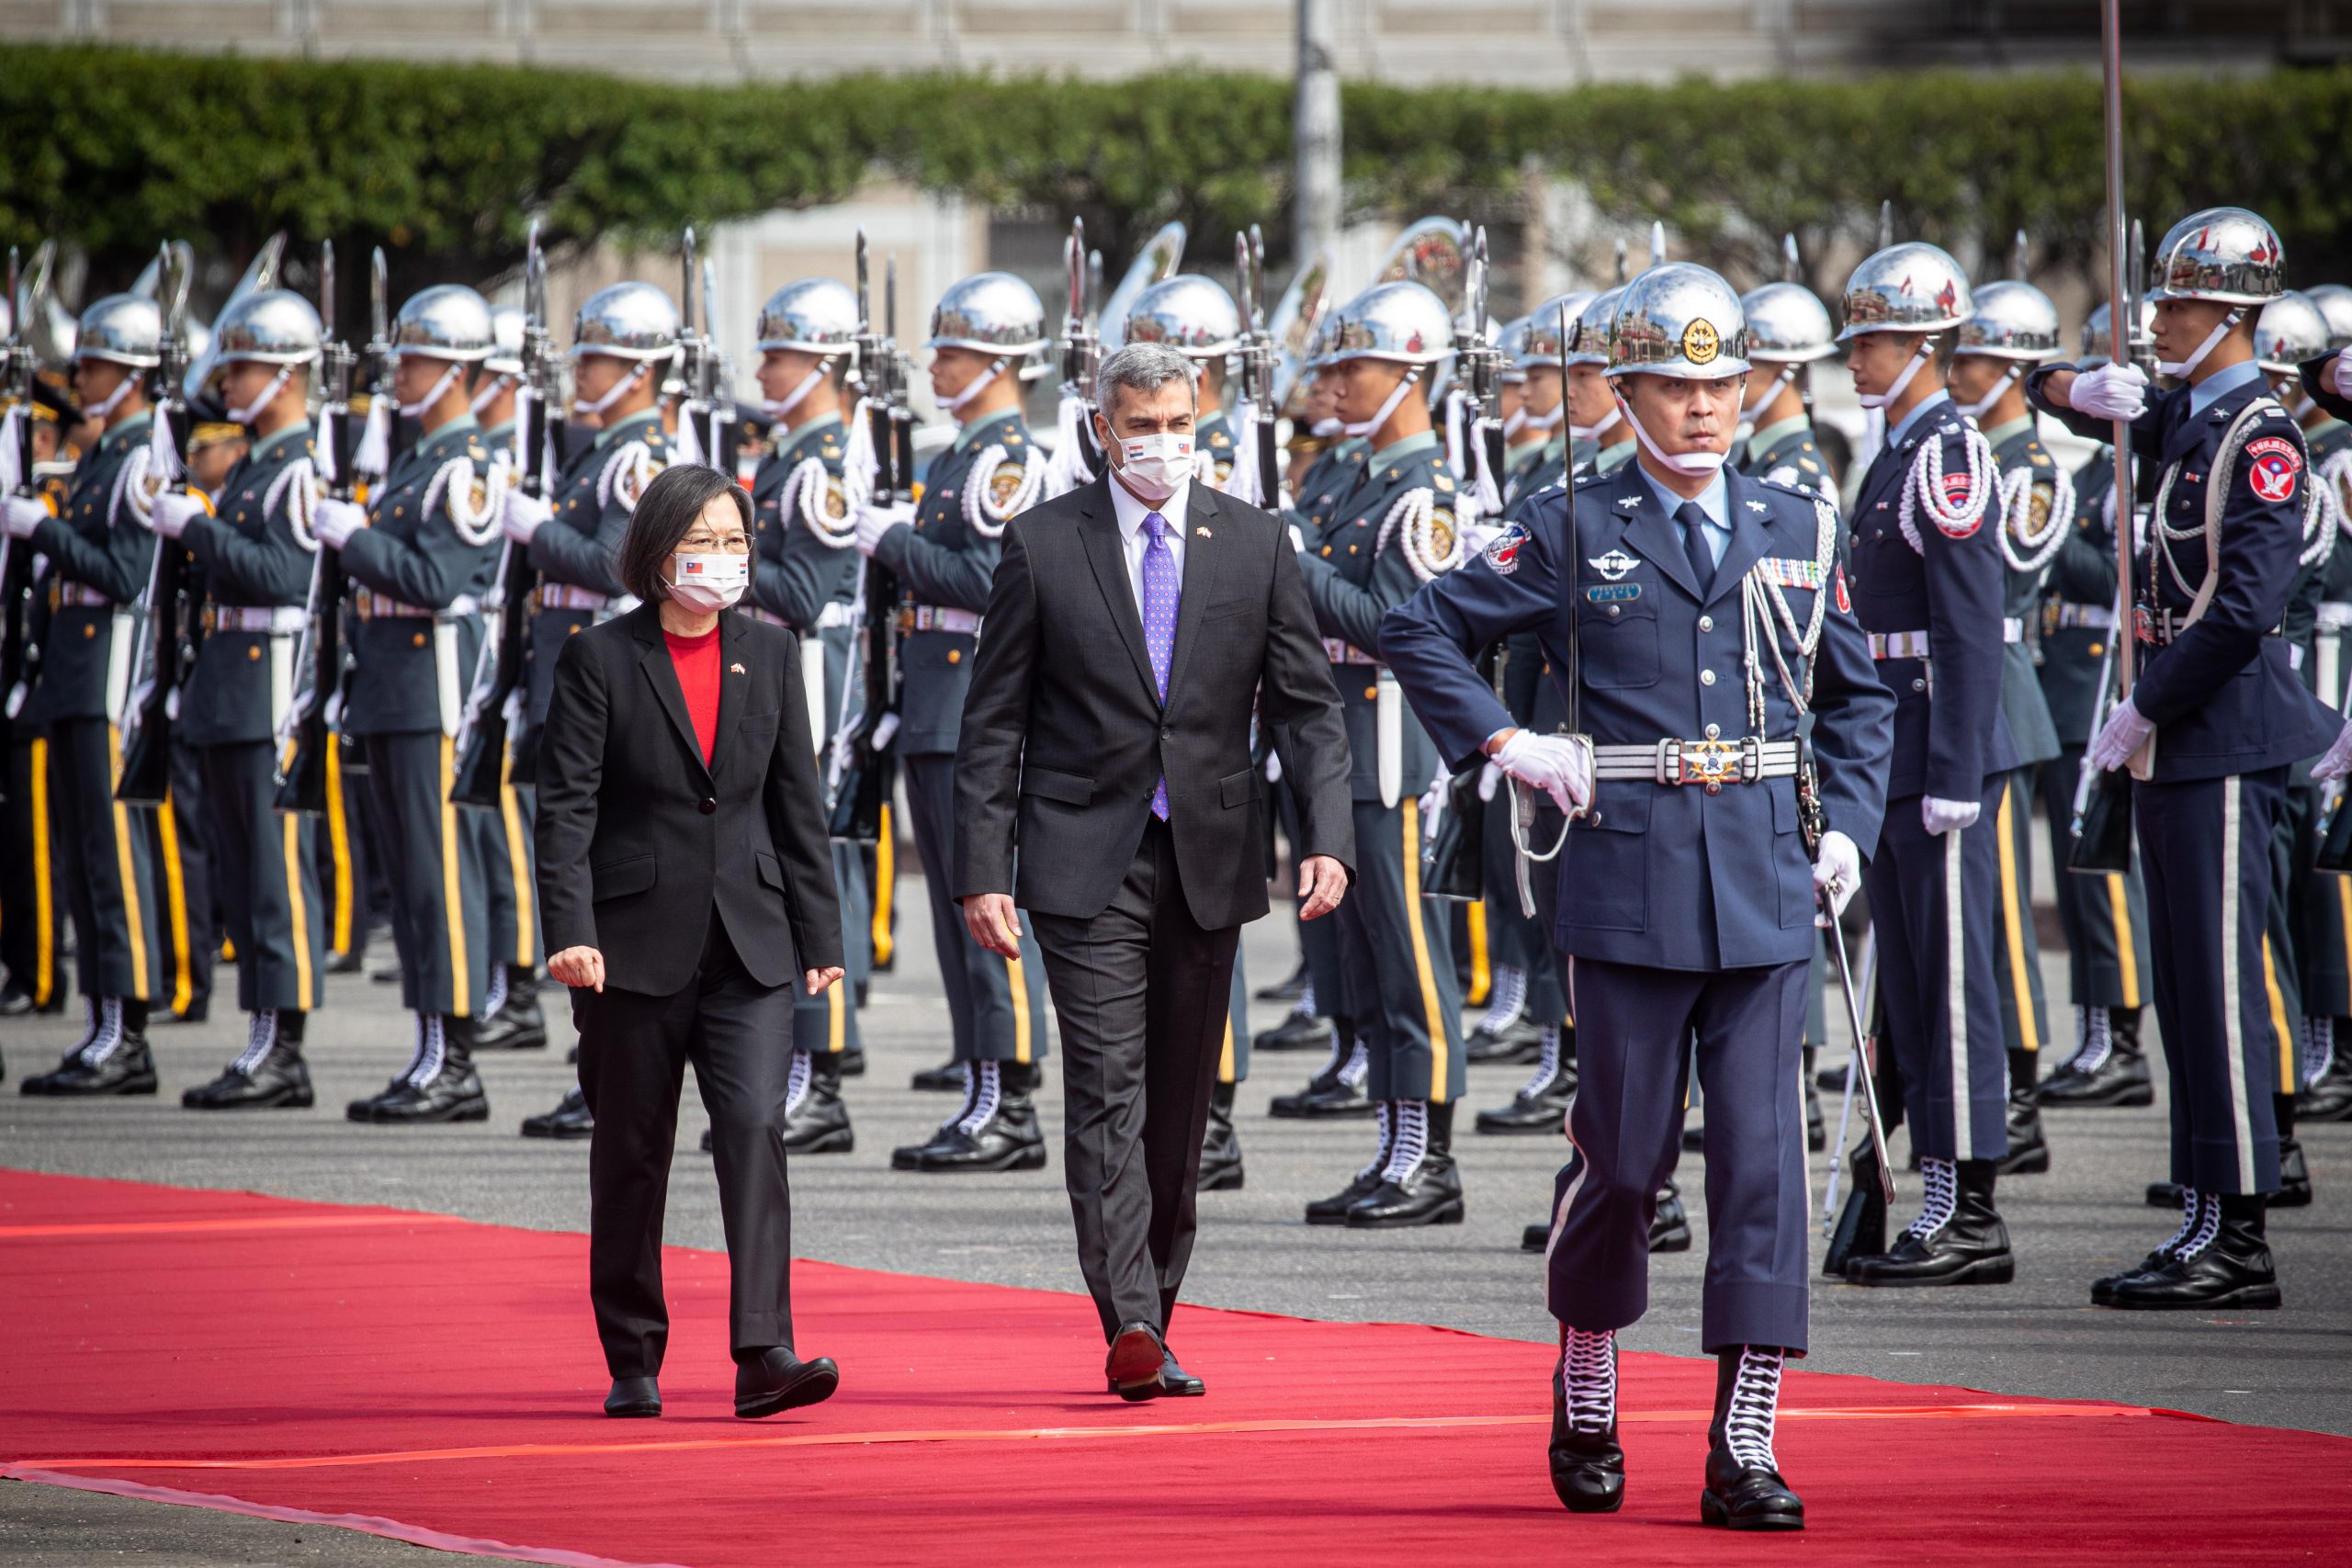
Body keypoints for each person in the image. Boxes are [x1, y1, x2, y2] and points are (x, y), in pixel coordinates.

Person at [1382, 263, 1893, 1529]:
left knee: (1763, 1167)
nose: (1703, 408)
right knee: (1623, 1158)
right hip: (1627, 878)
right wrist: (1509, 742)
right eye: (1673, 385)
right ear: (1625, 393)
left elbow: (1860, 697)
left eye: (1721, 384)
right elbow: (1417, 625)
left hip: (1769, 877)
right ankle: (1591, 1353)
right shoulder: (1565, 524)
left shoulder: (1796, 520)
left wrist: (1855, 832)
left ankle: (1747, 1434)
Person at [953, 339, 1351, 1398]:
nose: (1165, 445)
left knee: (1180, 1104)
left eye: (1181, 425)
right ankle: (1127, 1314)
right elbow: (992, 723)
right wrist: (980, 867)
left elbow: (1309, 710)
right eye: (1144, 427)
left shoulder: (1255, 542)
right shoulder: (1042, 544)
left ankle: (1156, 1310)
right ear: (1101, 428)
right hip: (1083, 858)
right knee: (1106, 1087)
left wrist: (1327, 836)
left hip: (1211, 857)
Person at [2032, 206, 2339, 1310]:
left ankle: (2239, 1229)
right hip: (2177, 739)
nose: (2158, 319)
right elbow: (2069, 401)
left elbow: (2244, 609)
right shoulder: (2190, 420)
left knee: (2218, 991)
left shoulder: (2257, 435)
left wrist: (2141, 705)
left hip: (2219, 739)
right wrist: (2072, 389)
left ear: (2230, 316)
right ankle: (2203, 1211)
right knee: (2183, 990)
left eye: (2176, 303)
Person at [535, 462, 844, 1421]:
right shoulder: (600, 658)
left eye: (735, 542)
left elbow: (798, 804)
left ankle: (765, 1353)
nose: (720, 560)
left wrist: (820, 933)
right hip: (631, 946)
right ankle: (632, 1354)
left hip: (748, 946)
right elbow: (565, 811)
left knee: (754, 1126)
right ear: (655, 554)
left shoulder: (772, 651)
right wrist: (571, 933)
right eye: (700, 542)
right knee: (633, 1149)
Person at [1834, 241, 2019, 1287]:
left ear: (1926, 345)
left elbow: (1968, 629)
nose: (1861, 357)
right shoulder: (1898, 451)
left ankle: (1967, 1208)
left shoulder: (1946, 453)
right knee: (1908, 985)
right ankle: (1932, 1191)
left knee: (1952, 990)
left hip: (1936, 751)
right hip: (1894, 749)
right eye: (1860, 339)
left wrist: (1954, 770)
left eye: (1881, 340)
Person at [856, 271, 1055, 1172]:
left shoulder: (1006, 460)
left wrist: (894, 543)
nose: (935, 365)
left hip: (977, 707)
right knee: (950, 914)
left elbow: (993, 585)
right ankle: (982, 1091)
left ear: (1000, 363)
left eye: (952, 351)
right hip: (935, 701)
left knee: (988, 908)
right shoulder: (958, 453)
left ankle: (1012, 1105)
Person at [1289, 279, 1471, 1228]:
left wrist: (1296, 562)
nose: (1336, 382)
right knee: (1364, 957)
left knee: (1408, 958)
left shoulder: (1421, 488)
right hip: (1339, 735)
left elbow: (1400, 630)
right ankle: (1393, 1144)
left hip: (1390, 739)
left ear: (1407, 374)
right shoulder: (1361, 476)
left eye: (1354, 366)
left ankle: (1430, 1156)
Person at [311, 284, 506, 1124]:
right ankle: (429, 1046)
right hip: (390, 686)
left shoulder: (467, 469)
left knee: (439, 879)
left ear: (457, 372)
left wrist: (353, 537)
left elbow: (435, 581)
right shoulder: (418, 463)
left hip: (433, 691)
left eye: (419, 360)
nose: (403, 374)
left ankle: (456, 1061)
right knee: (408, 876)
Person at [148, 288, 329, 1108]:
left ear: (287, 375)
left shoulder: (296, 466)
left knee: (270, 872)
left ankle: (283, 1048)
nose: (228, 383)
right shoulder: (259, 461)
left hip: (269, 686)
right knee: (237, 862)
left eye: (244, 368)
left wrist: (199, 528)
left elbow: (285, 578)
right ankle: (261, 1037)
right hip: (230, 679)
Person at [508, 281, 676, 1140]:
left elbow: (627, 565)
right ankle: (596, 1063)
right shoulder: (600, 446)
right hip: (572, 675)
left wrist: (537, 530)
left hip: (613, 684)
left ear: (641, 371)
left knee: (605, 876)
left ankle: (611, 1064)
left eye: (600, 358)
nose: (584, 371)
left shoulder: (637, 455)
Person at [8, 293, 171, 1094]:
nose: (81, 378)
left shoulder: (139, 460)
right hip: (74, 672)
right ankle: (102, 1022)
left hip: (109, 674)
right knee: (81, 858)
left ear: (132, 377)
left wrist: (42, 530)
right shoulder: (105, 454)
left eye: (97, 366)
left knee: (112, 863)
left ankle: (127, 1035)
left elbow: (124, 574)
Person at [737, 276, 869, 1155]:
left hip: (813, 682)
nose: (764, 368)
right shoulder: (790, 455)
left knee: (813, 877)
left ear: (821, 362)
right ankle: (799, 1063)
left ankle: (821, 1074)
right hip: (779, 676)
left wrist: (711, 565)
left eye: (779, 354)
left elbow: (809, 594)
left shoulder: (820, 464)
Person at [1949, 276, 2067, 1176]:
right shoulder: (1971, 451)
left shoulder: (2022, 464)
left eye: (1976, 360)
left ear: (2014, 371)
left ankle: (2018, 1084)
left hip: (1996, 685)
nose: (1958, 373)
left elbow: (2014, 567)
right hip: (1970, 682)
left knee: (1998, 912)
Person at [2030, 301, 2155, 1111]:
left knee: (2103, 872)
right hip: (2066, 679)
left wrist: (2038, 538)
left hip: (2102, 678)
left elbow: (2123, 570)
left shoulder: (2137, 467)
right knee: (2078, 880)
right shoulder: (2089, 468)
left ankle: (2120, 1042)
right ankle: (2093, 1034)